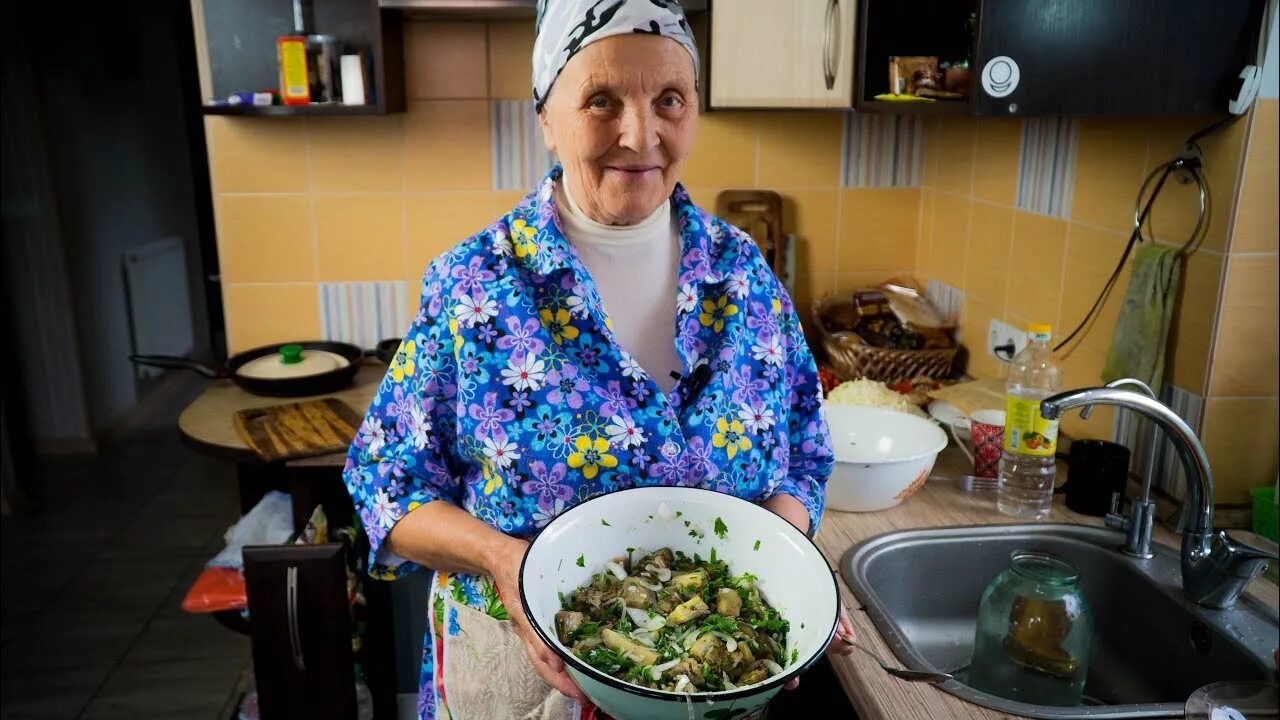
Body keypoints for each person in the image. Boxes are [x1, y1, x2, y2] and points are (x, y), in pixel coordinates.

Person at [343, 1, 851, 717]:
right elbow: (385, 482)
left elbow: (805, 452)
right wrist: (501, 559)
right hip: (519, 682)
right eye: (601, 100)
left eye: (668, 99)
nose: (640, 134)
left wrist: (786, 573)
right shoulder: (476, 284)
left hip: (713, 689)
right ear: (547, 118)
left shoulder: (743, 274)